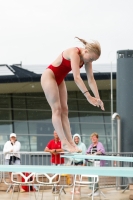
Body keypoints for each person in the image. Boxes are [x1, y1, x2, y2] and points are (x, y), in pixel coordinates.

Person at [41, 37, 105, 153]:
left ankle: (71, 143)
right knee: (57, 109)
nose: (89, 61)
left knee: (65, 110)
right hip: (49, 76)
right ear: (85, 51)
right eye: (90, 58)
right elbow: (77, 77)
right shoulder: (75, 53)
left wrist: (97, 98)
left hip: (60, 79)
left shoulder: (87, 60)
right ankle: (64, 142)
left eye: (93, 60)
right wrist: (89, 97)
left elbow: (91, 79)